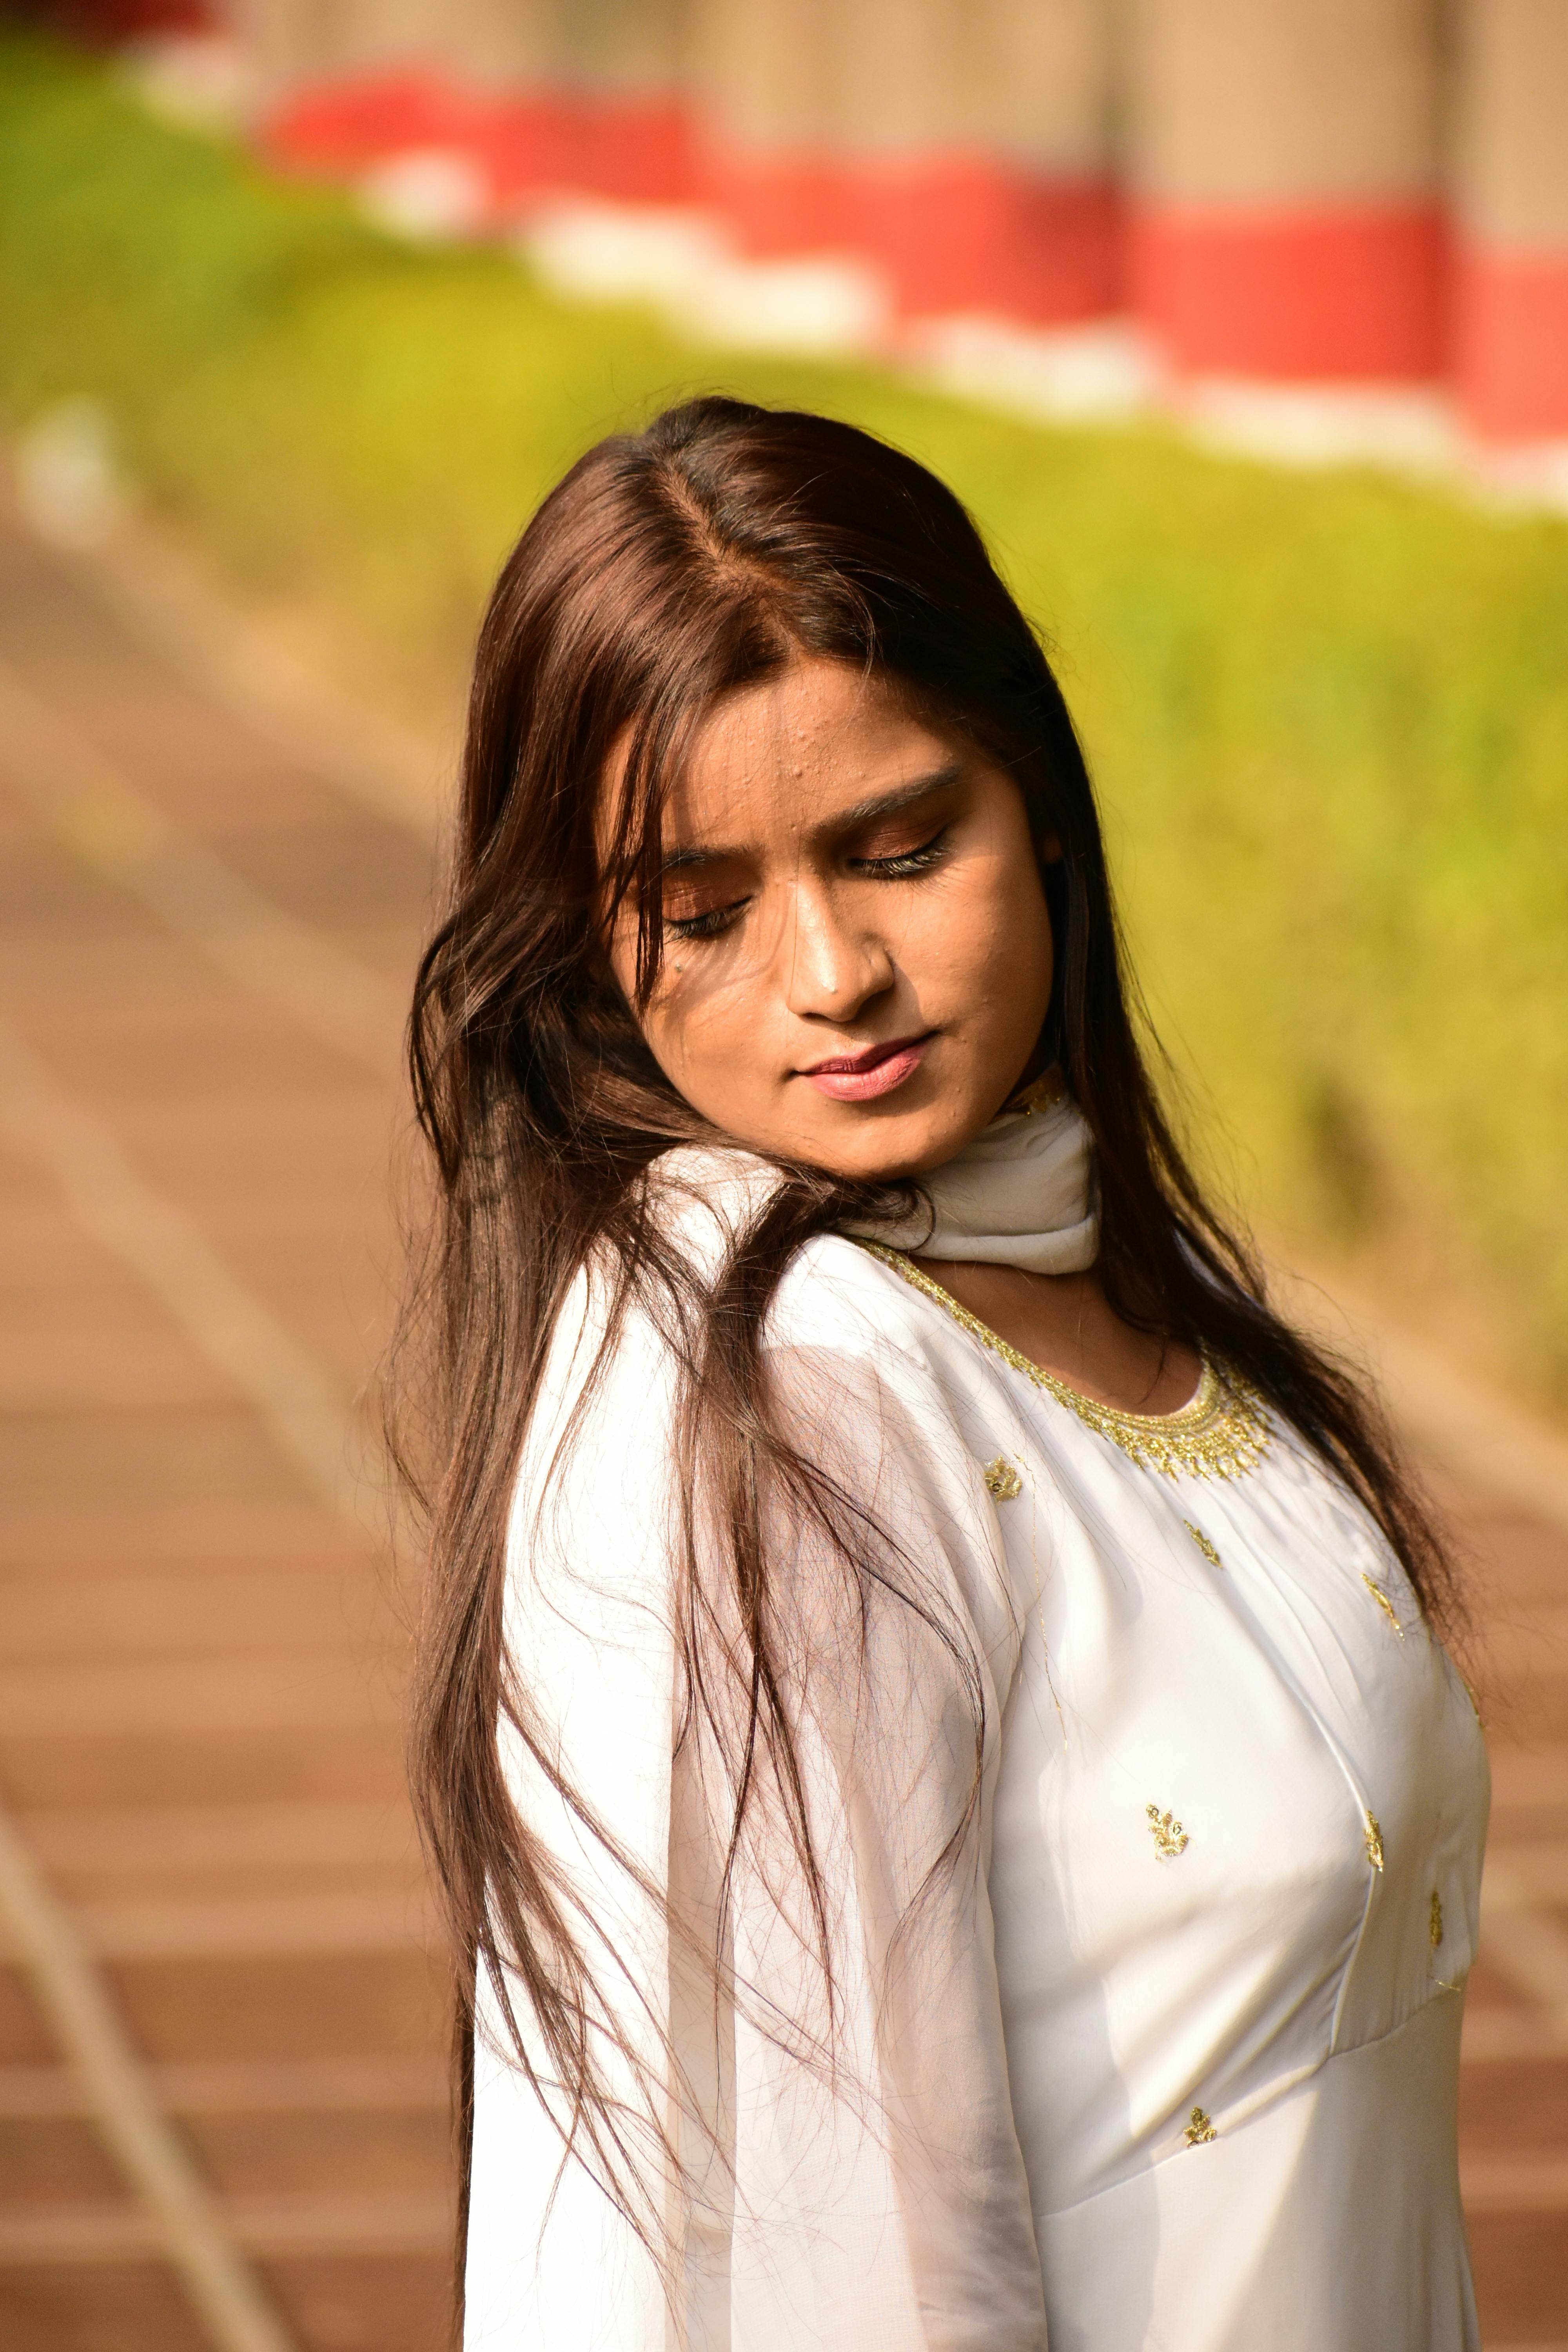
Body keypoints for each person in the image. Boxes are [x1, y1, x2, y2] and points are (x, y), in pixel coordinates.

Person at [401, 396, 1487, 2350]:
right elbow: (847, 2271)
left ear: (1041, 810)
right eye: (702, 914)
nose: (832, 976)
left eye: (899, 850)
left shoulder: (1077, 1265)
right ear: (584, 944)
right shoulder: (784, 1396)